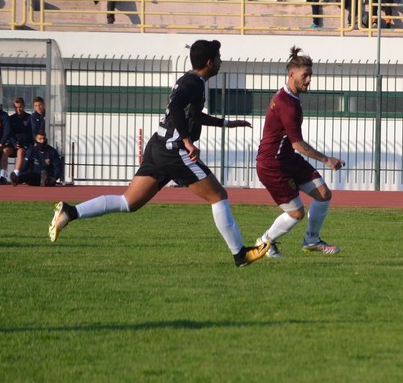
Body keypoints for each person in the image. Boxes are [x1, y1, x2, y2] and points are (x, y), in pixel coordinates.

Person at [48, 40, 271, 268]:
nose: (221, 61)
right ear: (209, 62)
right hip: (174, 151)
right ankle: (240, 255)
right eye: (218, 57)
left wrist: (226, 123)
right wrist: (187, 141)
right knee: (218, 196)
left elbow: (193, 115)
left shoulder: (191, 80)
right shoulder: (194, 83)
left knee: (128, 202)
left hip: (159, 146)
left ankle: (70, 212)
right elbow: (175, 107)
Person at [255, 46, 345, 258]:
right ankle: (265, 242)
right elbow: (297, 144)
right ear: (291, 74)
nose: (309, 80)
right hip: (272, 164)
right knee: (296, 213)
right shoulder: (287, 103)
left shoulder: (291, 98)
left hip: (288, 158)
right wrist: (327, 159)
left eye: (310, 75)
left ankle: (312, 240)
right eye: (305, 75)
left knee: (323, 194)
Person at [5, 95, 32, 182]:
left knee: (20, 152)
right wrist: (14, 142)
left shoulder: (29, 118)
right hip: (13, 144)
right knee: (5, 151)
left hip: (24, 145)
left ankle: (16, 175)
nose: (18, 109)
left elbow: (30, 134)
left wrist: (22, 144)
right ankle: (2, 175)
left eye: (20, 107)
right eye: (16, 107)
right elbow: (9, 133)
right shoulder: (11, 118)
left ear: (23, 106)